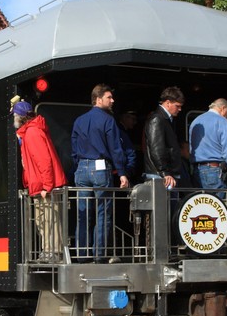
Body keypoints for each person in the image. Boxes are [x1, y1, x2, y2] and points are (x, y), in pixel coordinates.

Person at [71, 84, 130, 263]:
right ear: (98, 99)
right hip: (100, 168)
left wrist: (79, 164)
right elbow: (115, 148)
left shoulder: (79, 120)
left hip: (81, 168)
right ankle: (100, 255)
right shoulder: (108, 120)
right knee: (103, 212)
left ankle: (82, 256)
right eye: (109, 98)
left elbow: (73, 148)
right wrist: (122, 172)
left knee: (83, 212)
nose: (112, 101)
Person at [13, 100, 68, 261]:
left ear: (21, 117)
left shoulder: (32, 133)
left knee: (48, 219)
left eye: (15, 116)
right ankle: (49, 251)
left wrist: (47, 186)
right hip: (39, 185)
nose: (14, 120)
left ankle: (53, 252)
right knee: (44, 220)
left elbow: (44, 161)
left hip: (43, 186)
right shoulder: (31, 131)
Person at [189, 98, 227, 195]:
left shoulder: (195, 121)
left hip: (196, 171)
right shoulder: (222, 121)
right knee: (217, 207)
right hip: (213, 171)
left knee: (200, 206)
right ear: (223, 108)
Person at [143, 86, 185, 189]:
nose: (180, 109)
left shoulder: (166, 119)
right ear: (167, 103)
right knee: (163, 205)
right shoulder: (157, 119)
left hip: (165, 174)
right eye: (177, 106)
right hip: (161, 176)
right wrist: (164, 172)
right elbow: (156, 149)